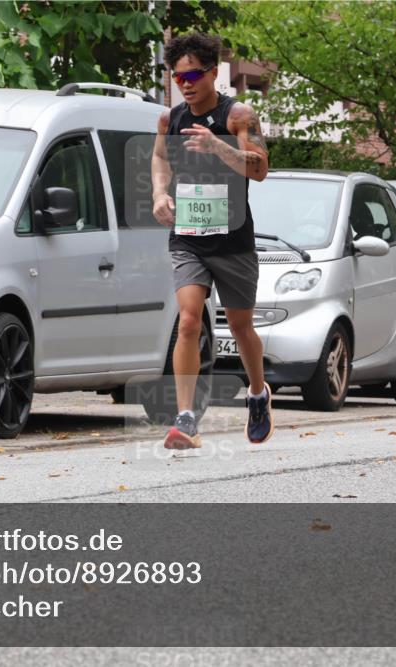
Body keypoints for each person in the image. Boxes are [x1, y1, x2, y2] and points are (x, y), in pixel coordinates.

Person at [151, 32, 272, 450]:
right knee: (188, 320)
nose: (184, 84)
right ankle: (185, 418)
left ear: (213, 73)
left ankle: (257, 393)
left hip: (233, 239)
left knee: (239, 327)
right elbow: (159, 158)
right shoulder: (169, 120)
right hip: (188, 236)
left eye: (193, 76)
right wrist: (159, 193)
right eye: (177, 76)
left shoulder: (238, 115)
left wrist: (218, 146)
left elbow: (259, 169)